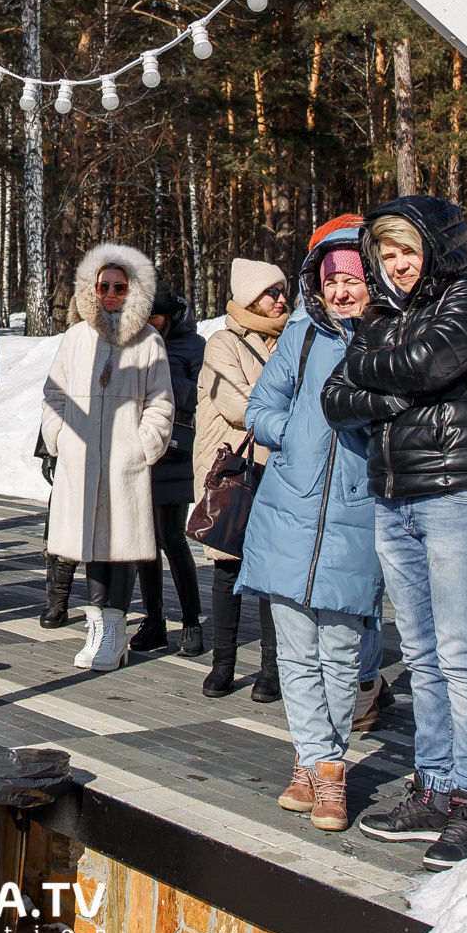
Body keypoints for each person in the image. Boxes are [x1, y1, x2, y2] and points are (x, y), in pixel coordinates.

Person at [322, 195, 467, 870]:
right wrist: (399, 389)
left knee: (462, 653)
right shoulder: (381, 317)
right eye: (387, 254)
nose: (397, 265)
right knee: (422, 654)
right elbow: (336, 399)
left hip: (455, 495)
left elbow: (431, 362)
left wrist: (387, 373)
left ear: (436, 250)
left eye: (408, 251)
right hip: (394, 500)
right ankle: (436, 784)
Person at [239, 218, 378, 831]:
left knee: (340, 652)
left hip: (356, 513)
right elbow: (259, 408)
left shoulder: (388, 340)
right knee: (296, 653)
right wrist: (290, 432)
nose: (341, 291)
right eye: (332, 280)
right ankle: (319, 764)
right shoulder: (299, 336)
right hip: (288, 512)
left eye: (353, 279)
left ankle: (322, 763)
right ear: (316, 285)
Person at [40, 243, 174, 673]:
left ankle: (115, 630)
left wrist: (143, 445)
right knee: (90, 544)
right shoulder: (76, 337)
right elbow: (54, 393)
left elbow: (161, 402)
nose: (111, 294)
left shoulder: (149, 341)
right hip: (80, 458)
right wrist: (59, 437)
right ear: (91, 288)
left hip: (124, 461)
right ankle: (96, 624)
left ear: (133, 290)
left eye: (120, 287)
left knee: (123, 544)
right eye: (104, 286)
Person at [191, 259, 289, 698]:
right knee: (228, 568)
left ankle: (272, 668)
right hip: (235, 471)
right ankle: (223, 664)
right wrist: (288, 409)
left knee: (271, 571)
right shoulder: (222, 343)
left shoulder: (290, 340)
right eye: (272, 292)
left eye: (283, 291)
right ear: (250, 297)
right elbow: (236, 403)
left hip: (279, 468)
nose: (281, 299)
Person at [135, 282, 205, 655]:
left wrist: (158, 376)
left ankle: (191, 622)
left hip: (176, 453)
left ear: (169, 315)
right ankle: (154, 621)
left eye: (155, 316)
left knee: (173, 539)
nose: (149, 322)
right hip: (140, 450)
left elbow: (201, 394)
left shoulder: (192, 345)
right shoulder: (134, 342)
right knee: (144, 543)